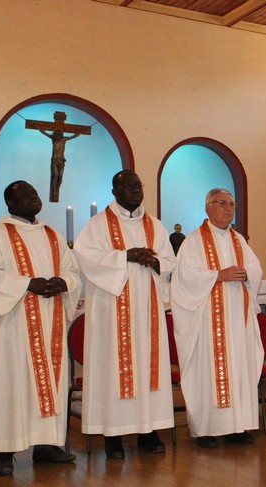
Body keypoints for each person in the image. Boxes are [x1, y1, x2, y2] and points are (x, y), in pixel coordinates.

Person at [0, 181, 81, 475]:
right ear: (9, 203)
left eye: (34, 193)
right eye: (24, 194)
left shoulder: (52, 235)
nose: (33, 197)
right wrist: (27, 284)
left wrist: (63, 282)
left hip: (50, 321)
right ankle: (2, 451)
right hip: (14, 324)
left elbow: (72, 269)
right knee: (11, 382)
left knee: (49, 382)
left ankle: (47, 445)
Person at [74, 170, 176, 459]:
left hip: (148, 310)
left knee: (147, 366)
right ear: (114, 191)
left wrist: (154, 261)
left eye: (139, 185)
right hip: (111, 309)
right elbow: (85, 256)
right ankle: (113, 435)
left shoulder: (155, 225)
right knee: (113, 368)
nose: (136, 190)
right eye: (129, 186)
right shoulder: (98, 225)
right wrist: (125, 256)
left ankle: (148, 430)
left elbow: (170, 261)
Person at [171, 189, 264, 447]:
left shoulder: (239, 240)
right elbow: (184, 276)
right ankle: (206, 429)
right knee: (207, 372)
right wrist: (218, 275)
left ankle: (237, 427)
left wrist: (247, 275)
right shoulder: (194, 241)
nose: (228, 208)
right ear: (208, 207)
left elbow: (255, 268)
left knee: (239, 369)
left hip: (237, 320)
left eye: (231, 204)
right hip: (206, 323)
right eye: (222, 203)